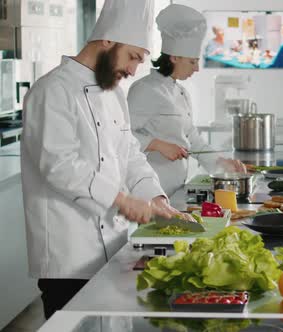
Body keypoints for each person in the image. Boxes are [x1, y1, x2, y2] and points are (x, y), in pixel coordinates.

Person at [20, 0, 190, 319]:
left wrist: (155, 197)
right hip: (67, 257)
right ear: (108, 41)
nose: (133, 70)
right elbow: (59, 166)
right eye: (133, 57)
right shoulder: (50, 91)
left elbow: (129, 153)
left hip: (112, 248)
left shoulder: (113, 95)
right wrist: (121, 200)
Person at [128, 4, 246, 197]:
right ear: (174, 57)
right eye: (192, 62)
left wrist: (221, 164)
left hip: (176, 189)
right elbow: (121, 135)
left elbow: (193, 139)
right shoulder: (145, 90)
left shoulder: (181, 92)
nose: (197, 69)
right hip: (151, 190)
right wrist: (157, 144)